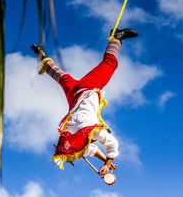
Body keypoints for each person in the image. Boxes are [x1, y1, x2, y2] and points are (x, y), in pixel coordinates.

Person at [31, 28, 138, 178]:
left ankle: (116, 37)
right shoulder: (69, 133)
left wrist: (108, 162)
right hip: (73, 96)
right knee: (62, 78)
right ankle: (43, 57)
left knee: (110, 64)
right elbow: (89, 149)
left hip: (88, 89)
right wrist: (105, 160)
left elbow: (112, 144)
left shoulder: (92, 130)